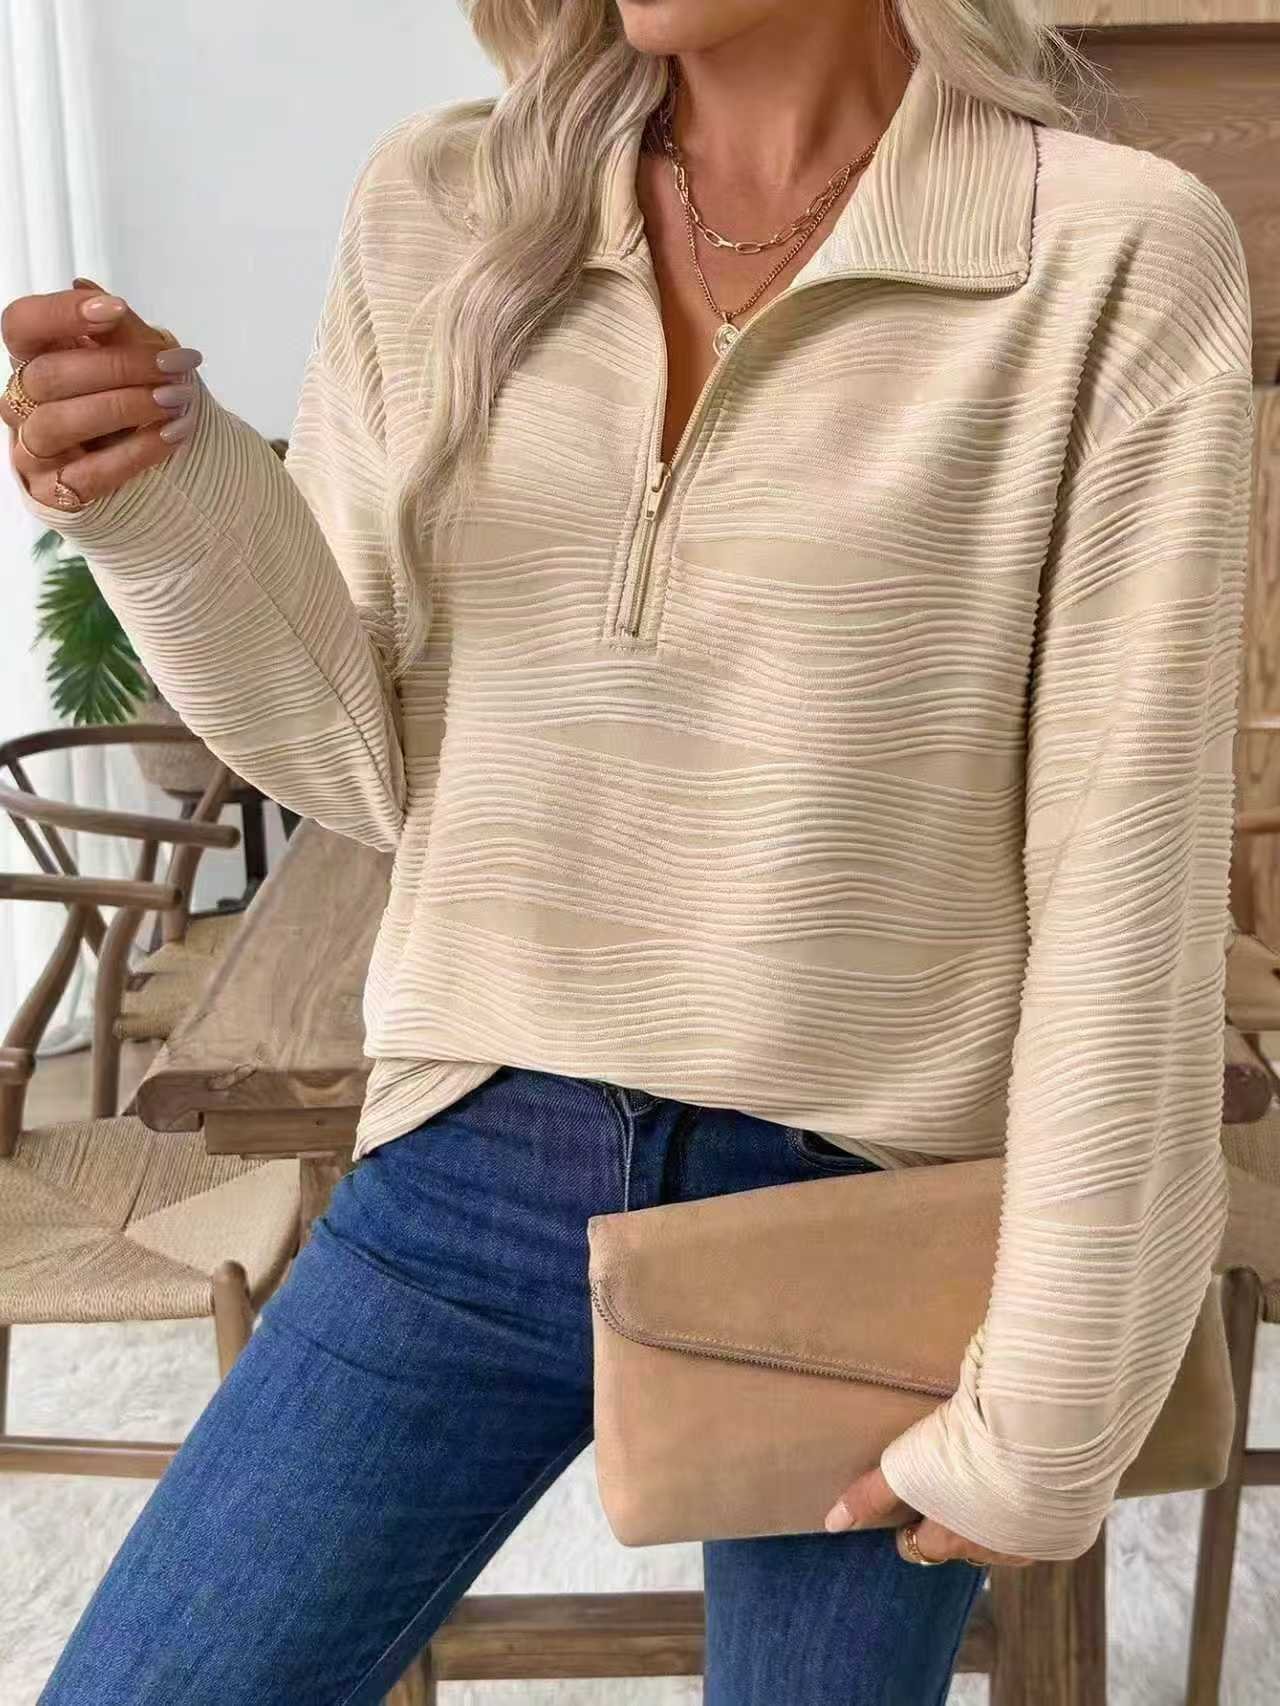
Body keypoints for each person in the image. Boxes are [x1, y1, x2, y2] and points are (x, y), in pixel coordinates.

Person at [1, 0, 1254, 1700]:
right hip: (467, 1154)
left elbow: (1126, 873)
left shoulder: (1105, 254)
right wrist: (162, 502)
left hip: (861, 1220)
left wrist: (1055, 1397)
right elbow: (357, 762)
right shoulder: (448, 208)